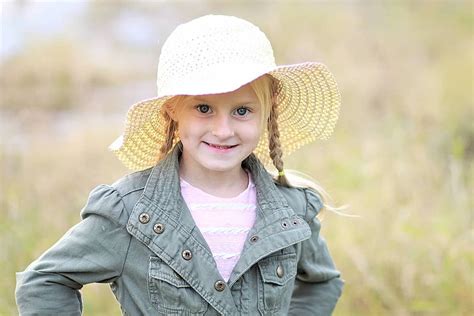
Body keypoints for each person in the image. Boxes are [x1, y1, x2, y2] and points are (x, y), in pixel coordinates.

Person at [16, 14, 343, 315]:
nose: (223, 130)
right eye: (203, 108)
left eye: (242, 111)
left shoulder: (290, 210)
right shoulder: (129, 212)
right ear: (173, 109)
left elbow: (323, 282)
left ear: (267, 111)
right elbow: (45, 281)